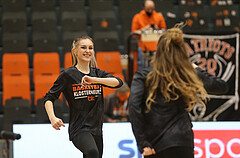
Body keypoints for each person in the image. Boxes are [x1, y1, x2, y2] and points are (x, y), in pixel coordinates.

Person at [128, 23, 228, 158]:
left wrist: (142, 142)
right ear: (182, 52)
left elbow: (134, 107)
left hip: (155, 145)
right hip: (182, 142)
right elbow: (222, 87)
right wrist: (194, 68)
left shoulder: (143, 76)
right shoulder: (185, 73)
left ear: (158, 51)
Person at [44, 36, 123, 158]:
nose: (87, 50)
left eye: (90, 48)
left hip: (96, 129)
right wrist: (52, 117)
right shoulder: (68, 75)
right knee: (92, 152)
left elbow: (118, 82)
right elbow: (49, 97)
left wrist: (94, 80)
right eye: (83, 47)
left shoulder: (97, 74)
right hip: (79, 128)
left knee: (94, 155)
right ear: (75, 51)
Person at [131, 0, 167, 69]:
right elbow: (134, 33)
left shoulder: (159, 16)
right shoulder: (138, 17)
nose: (150, 11)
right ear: (143, 7)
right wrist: (145, 29)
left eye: (152, 9)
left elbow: (164, 31)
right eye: (148, 9)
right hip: (143, 47)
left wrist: (156, 28)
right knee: (142, 67)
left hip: (157, 47)